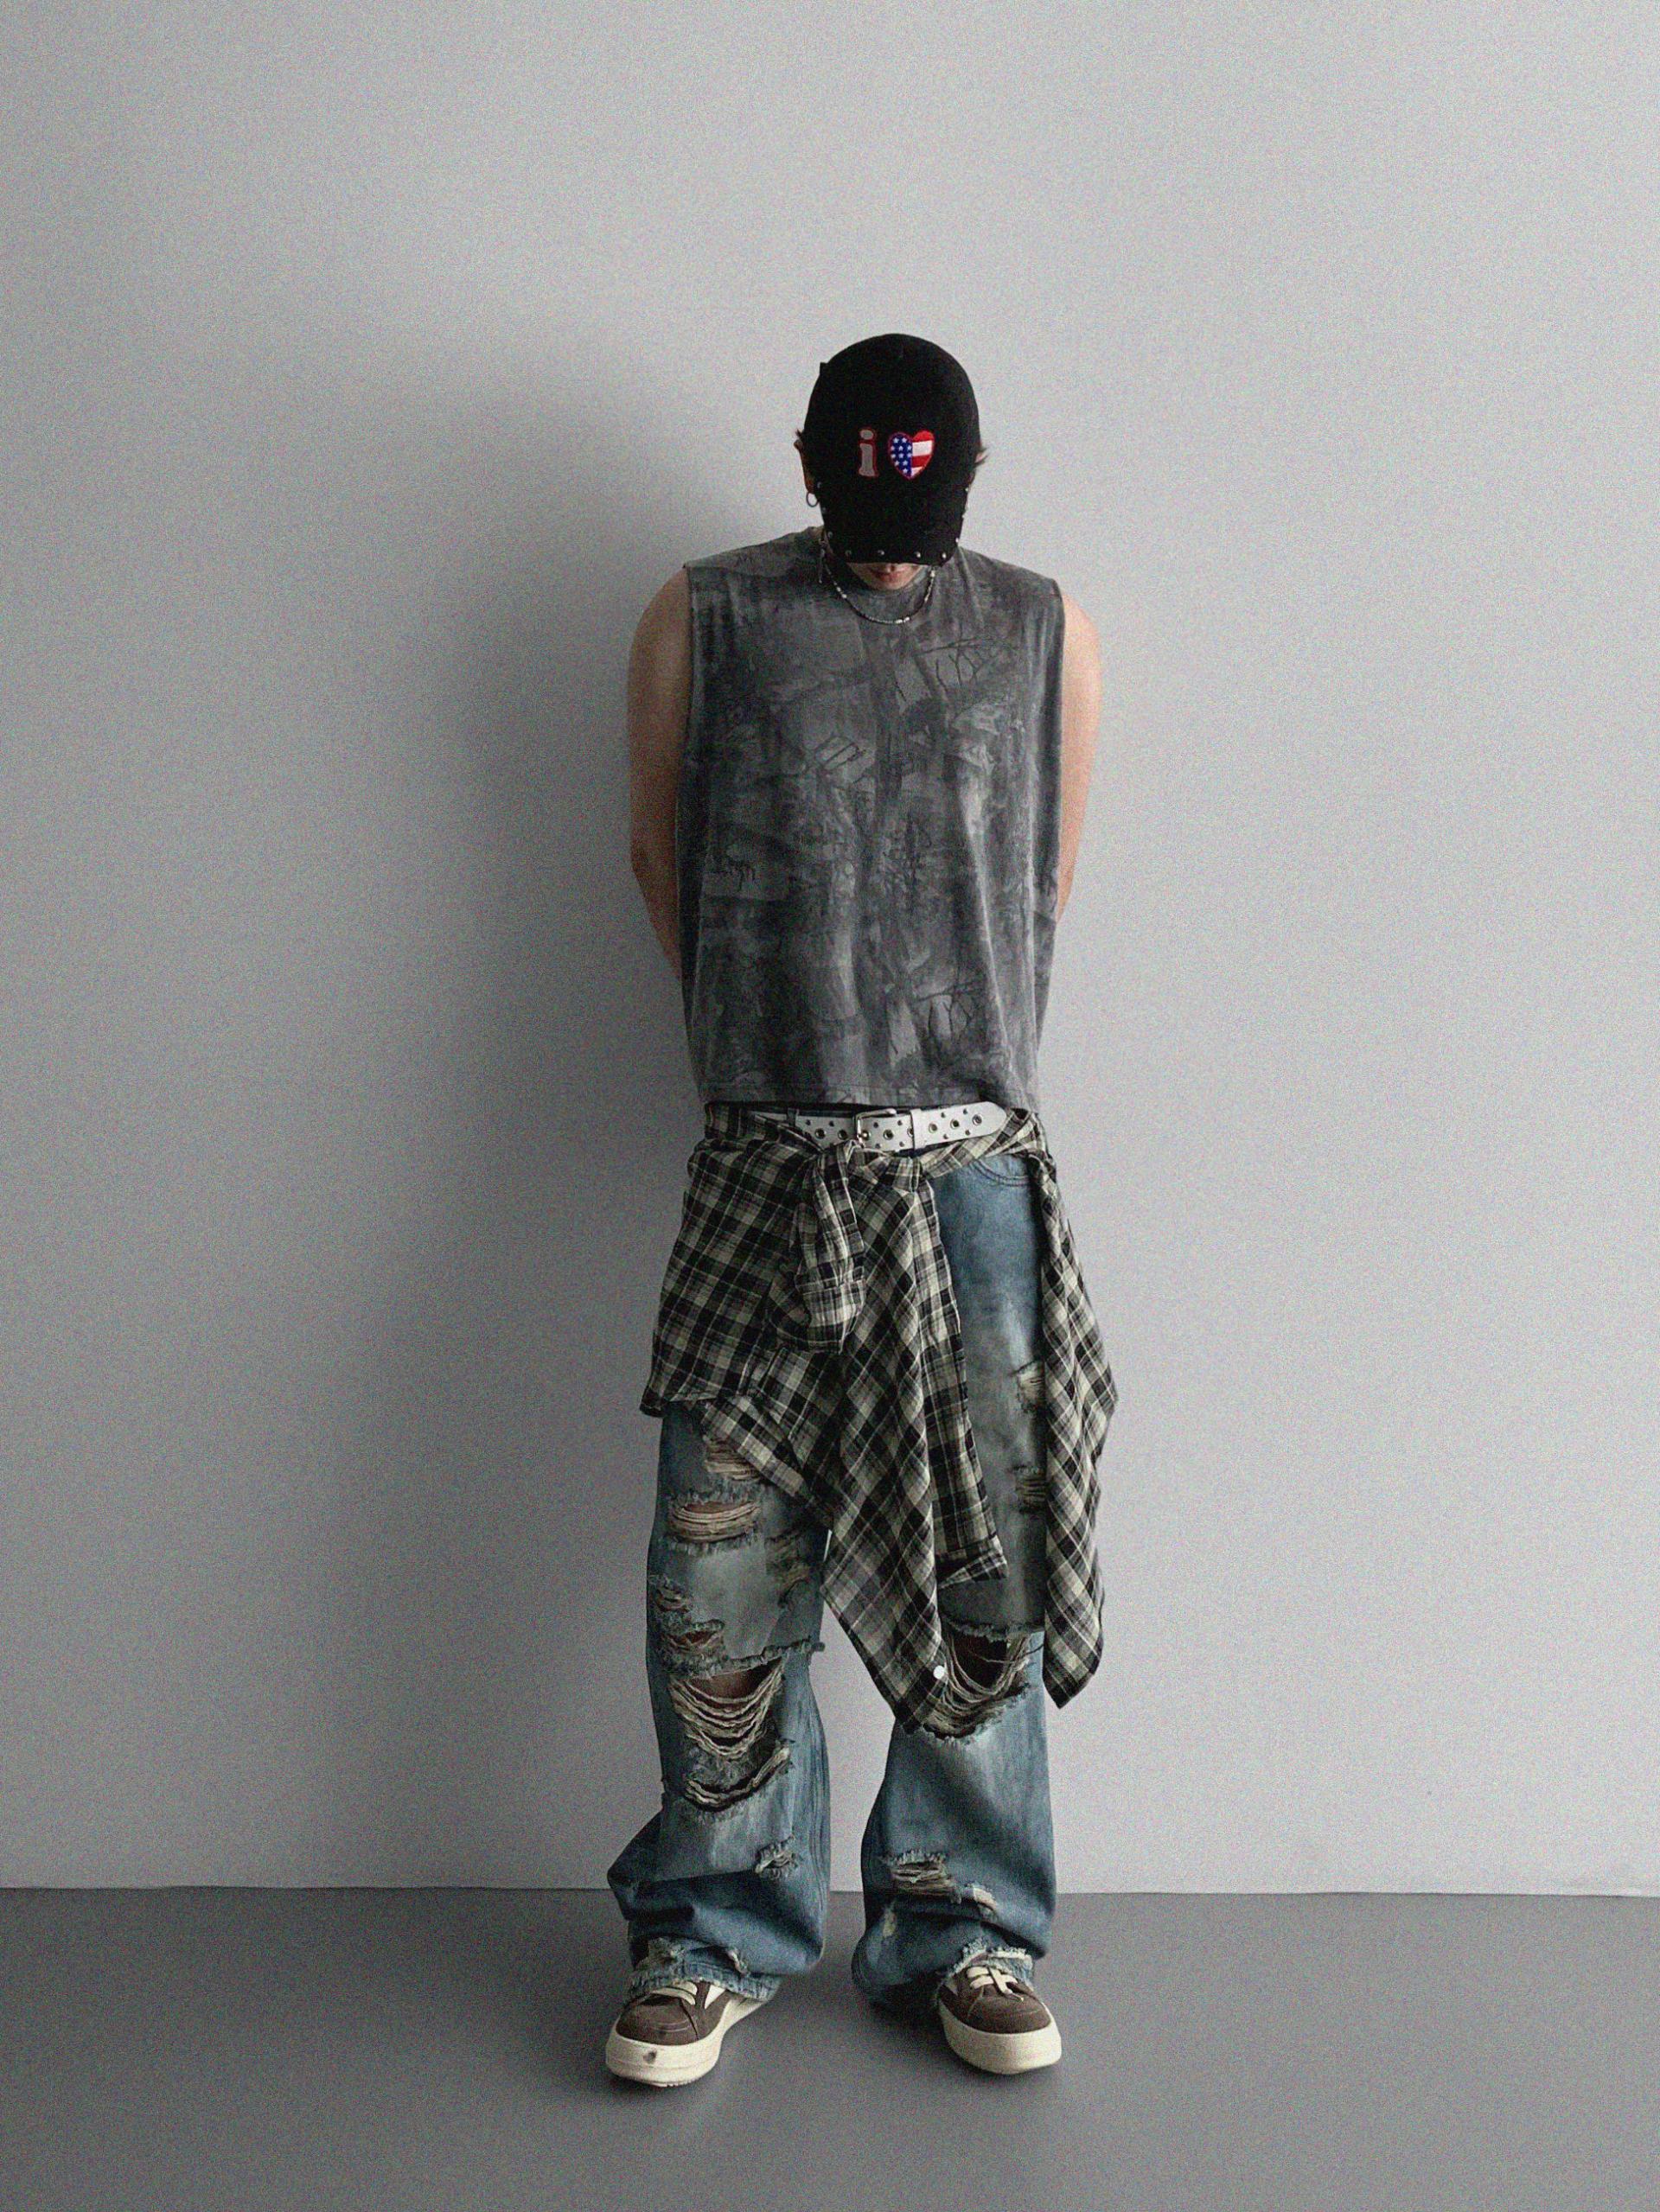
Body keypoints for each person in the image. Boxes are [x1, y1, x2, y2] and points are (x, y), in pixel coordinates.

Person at [605, 333, 1117, 2088]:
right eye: (867, 474)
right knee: (723, 1560)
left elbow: (1043, 874)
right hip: (769, 1162)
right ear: (812, 461)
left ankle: (963, 1921)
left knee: (986, 1560)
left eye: (926, 483)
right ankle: (715, 1923)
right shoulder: (706, 618)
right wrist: (780, 1061)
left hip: (968, 1171)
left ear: (967, 476)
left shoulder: (1045, 629)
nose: (896, 515)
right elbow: (659, 859)